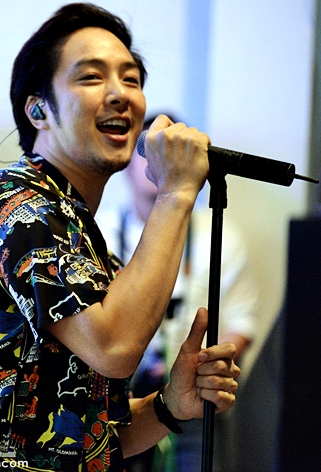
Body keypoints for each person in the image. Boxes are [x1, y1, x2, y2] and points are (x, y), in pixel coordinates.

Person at [0, 3, 241, 472]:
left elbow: (87, 441)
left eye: (132, 79)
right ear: (38, 110)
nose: (120, 94)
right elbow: (114, 349)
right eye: (92, 77)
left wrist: (168, 406)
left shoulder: (87, 246)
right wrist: (177, 191)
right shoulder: (14, 202)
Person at [97, 113, 257, 471]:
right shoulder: (99, 231)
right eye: (150, 151)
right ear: (126, 164)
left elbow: (242, 320)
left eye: (173, 151)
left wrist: (207, 368)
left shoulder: (222, 235)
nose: (161, 163)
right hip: (120, 393)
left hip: (191, 393)